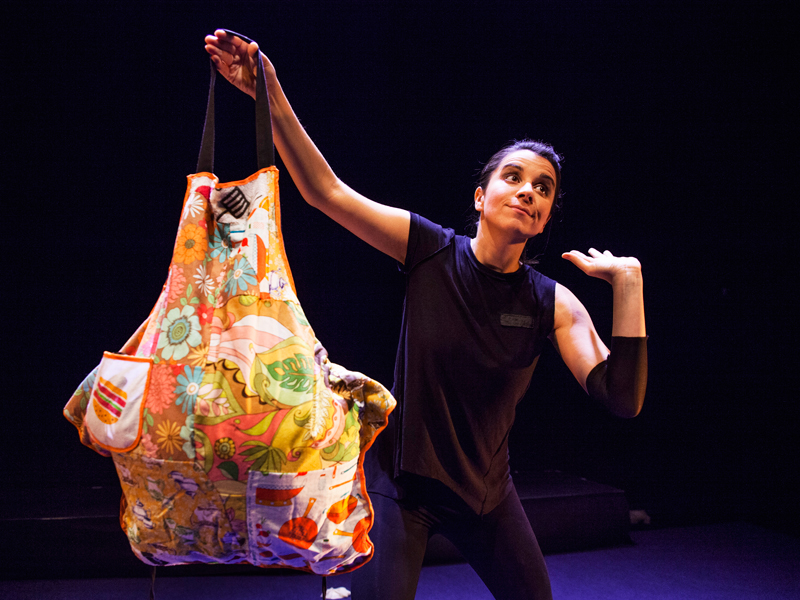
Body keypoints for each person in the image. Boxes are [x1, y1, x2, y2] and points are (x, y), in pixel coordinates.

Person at [205, 30, 647, 600]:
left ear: (543, 220)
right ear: (481, 197)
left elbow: (622, 398)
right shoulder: (429, 250)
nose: (528, 192)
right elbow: (326, 192)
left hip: (487, 496)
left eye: (543, 189)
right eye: (513, 177)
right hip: (403, 490)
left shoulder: (553, 303)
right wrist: (269, 95)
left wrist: (629, 285)